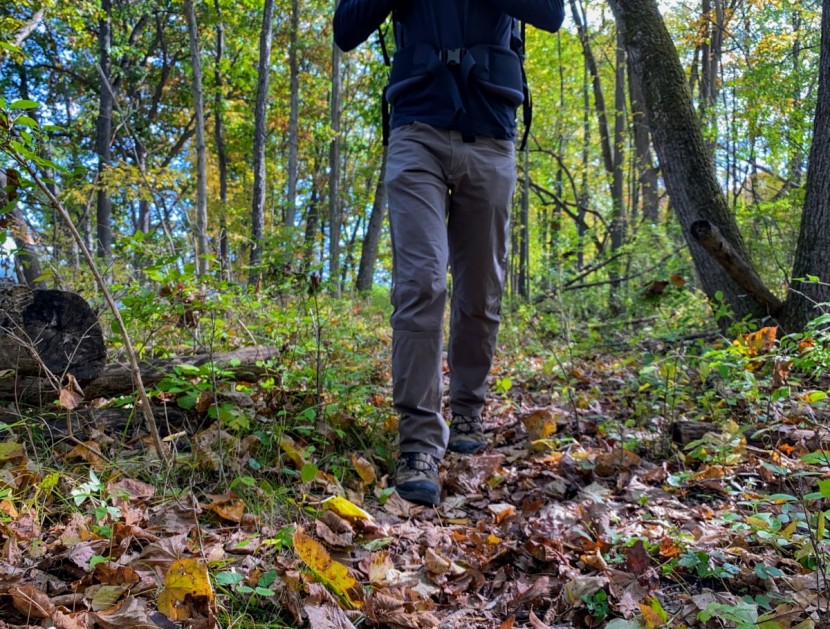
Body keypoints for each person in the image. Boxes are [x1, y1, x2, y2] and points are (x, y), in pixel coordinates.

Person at [334, 0, 564, 507]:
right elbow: (346, 30)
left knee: (481, 289)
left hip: (491, 133)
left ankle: (467, 409)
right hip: (416, 131)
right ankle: (418, 443)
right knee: (421, 282)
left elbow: (551, 14)